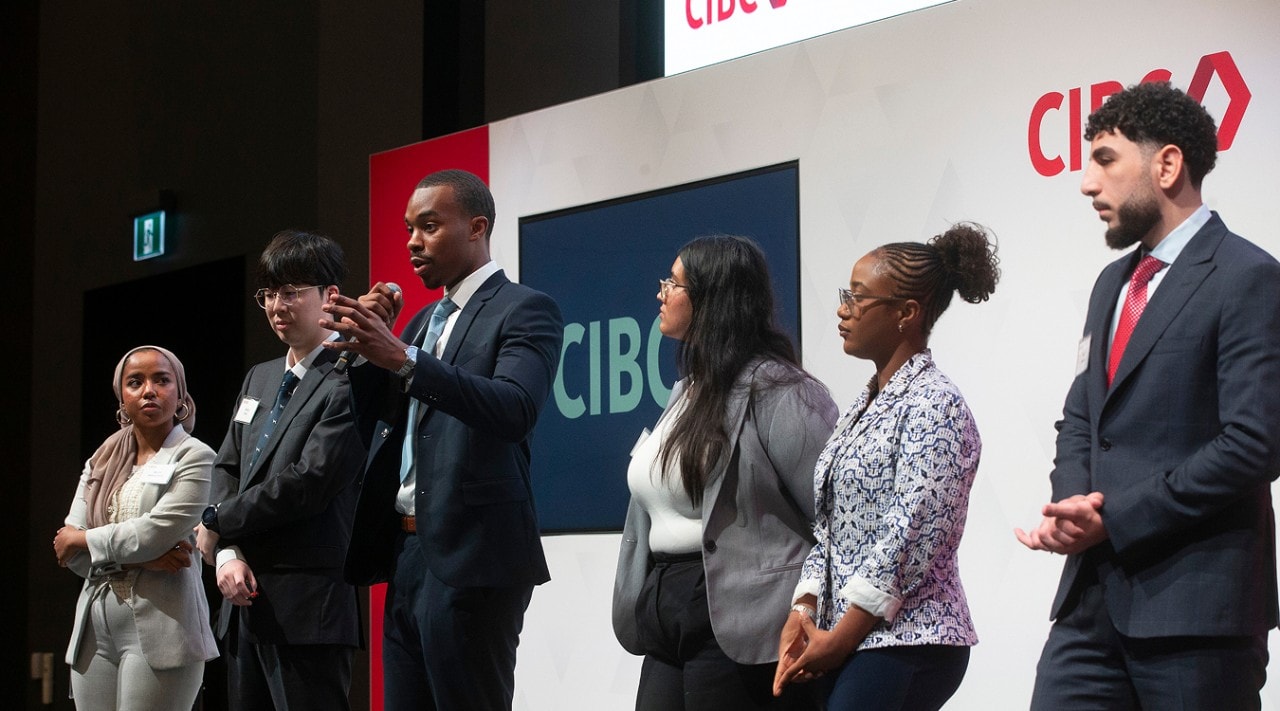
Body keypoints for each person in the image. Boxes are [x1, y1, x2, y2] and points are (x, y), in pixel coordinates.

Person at [1014, 82, 1280, 709]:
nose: (1087, 184)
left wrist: (1115, 518)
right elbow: (1082, 416)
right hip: (1089, 607)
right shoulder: (1112, 283)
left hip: (1196, 614)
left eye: (1105, 160)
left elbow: (1255, 443)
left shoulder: (1248, 277)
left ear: (1167, 165)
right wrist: (1072, 504)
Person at [319, 168, 563, 710]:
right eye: (409, 229)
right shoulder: (422, 321)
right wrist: (363, 351)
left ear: (477, 227)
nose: (412, 242)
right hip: (407, 549)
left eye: (429, 226)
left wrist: (402, 357)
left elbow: (514, 408)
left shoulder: (524, 308)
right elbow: (380, 425)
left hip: (475, 555)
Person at [773, 224, 999, 710]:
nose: (843, 309)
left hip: (909, 637)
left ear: (906, 313)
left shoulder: (935, 404)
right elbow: (831, 528)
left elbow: (907, 536)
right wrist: (804, 607)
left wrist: (841, 639)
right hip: (849, 636)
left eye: (857, 298)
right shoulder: (863, 406)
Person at [611, 234, 837, 710]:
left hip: (742, 615)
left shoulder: (780, 389)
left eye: (673, 284)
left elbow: (835, 516)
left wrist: (809, 607)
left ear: (713, 299)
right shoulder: (686, 390)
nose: (660, 293)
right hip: (665, 610)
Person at [195, 230, 365, 709]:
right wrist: (227, 554)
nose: (276, 306)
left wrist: (217, 521)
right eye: (268, 294)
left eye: (290, 292)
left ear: (330, 296)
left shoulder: (353, 374)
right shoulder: (261, 376)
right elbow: (227, 465)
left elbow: (310, 482)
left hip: (307, 606)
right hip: (241, 601)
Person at [54, 346, 218, 710]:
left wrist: (84, 539)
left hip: (165, 628)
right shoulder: (100, 460)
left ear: (180, 394)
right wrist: (142, 560)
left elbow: (153, 533)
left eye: (161, 380)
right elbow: (71, 555)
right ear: (122, 398)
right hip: (94, 629)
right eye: (135, 382)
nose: (149, 391)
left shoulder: (195, 456)